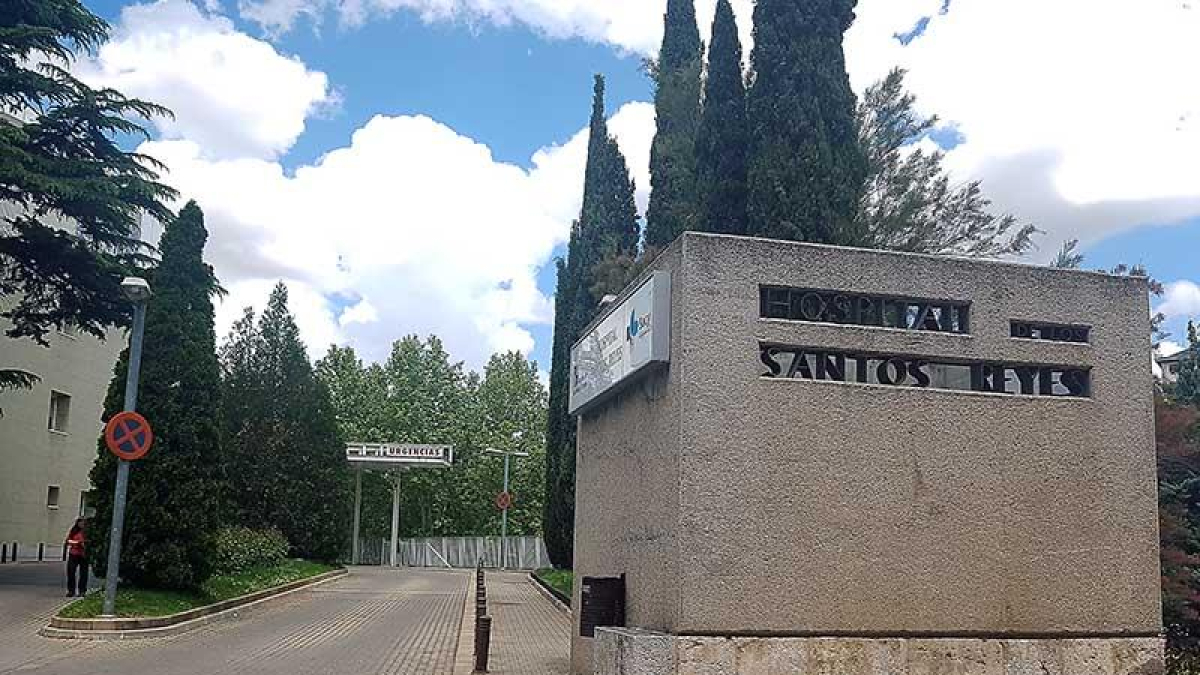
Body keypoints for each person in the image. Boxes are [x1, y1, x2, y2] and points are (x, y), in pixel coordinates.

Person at [64, 519, 88, 597]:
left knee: (83, 573)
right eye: (80, 523)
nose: (81, 525)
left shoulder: (87, 532)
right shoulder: (74, 531)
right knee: (71, 571)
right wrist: (77, 543)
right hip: (74, 553)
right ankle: (71, 590)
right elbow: (68, 541)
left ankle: (82, 590)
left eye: (83, 523)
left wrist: (84, 543)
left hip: (83, 554)